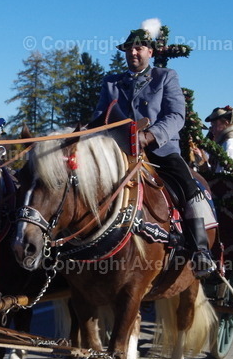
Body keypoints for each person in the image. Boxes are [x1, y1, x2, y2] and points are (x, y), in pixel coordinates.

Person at [92, 22, 218, 279]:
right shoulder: (111, 83)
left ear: (150, 52)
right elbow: (99, 117)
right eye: (129, 49)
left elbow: (176, 115)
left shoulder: (166, 77)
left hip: (160, 151)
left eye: (139, 48)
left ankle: (200, 251)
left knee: (190, 186)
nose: (133, 53)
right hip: (117, 152)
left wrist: (150, 136)